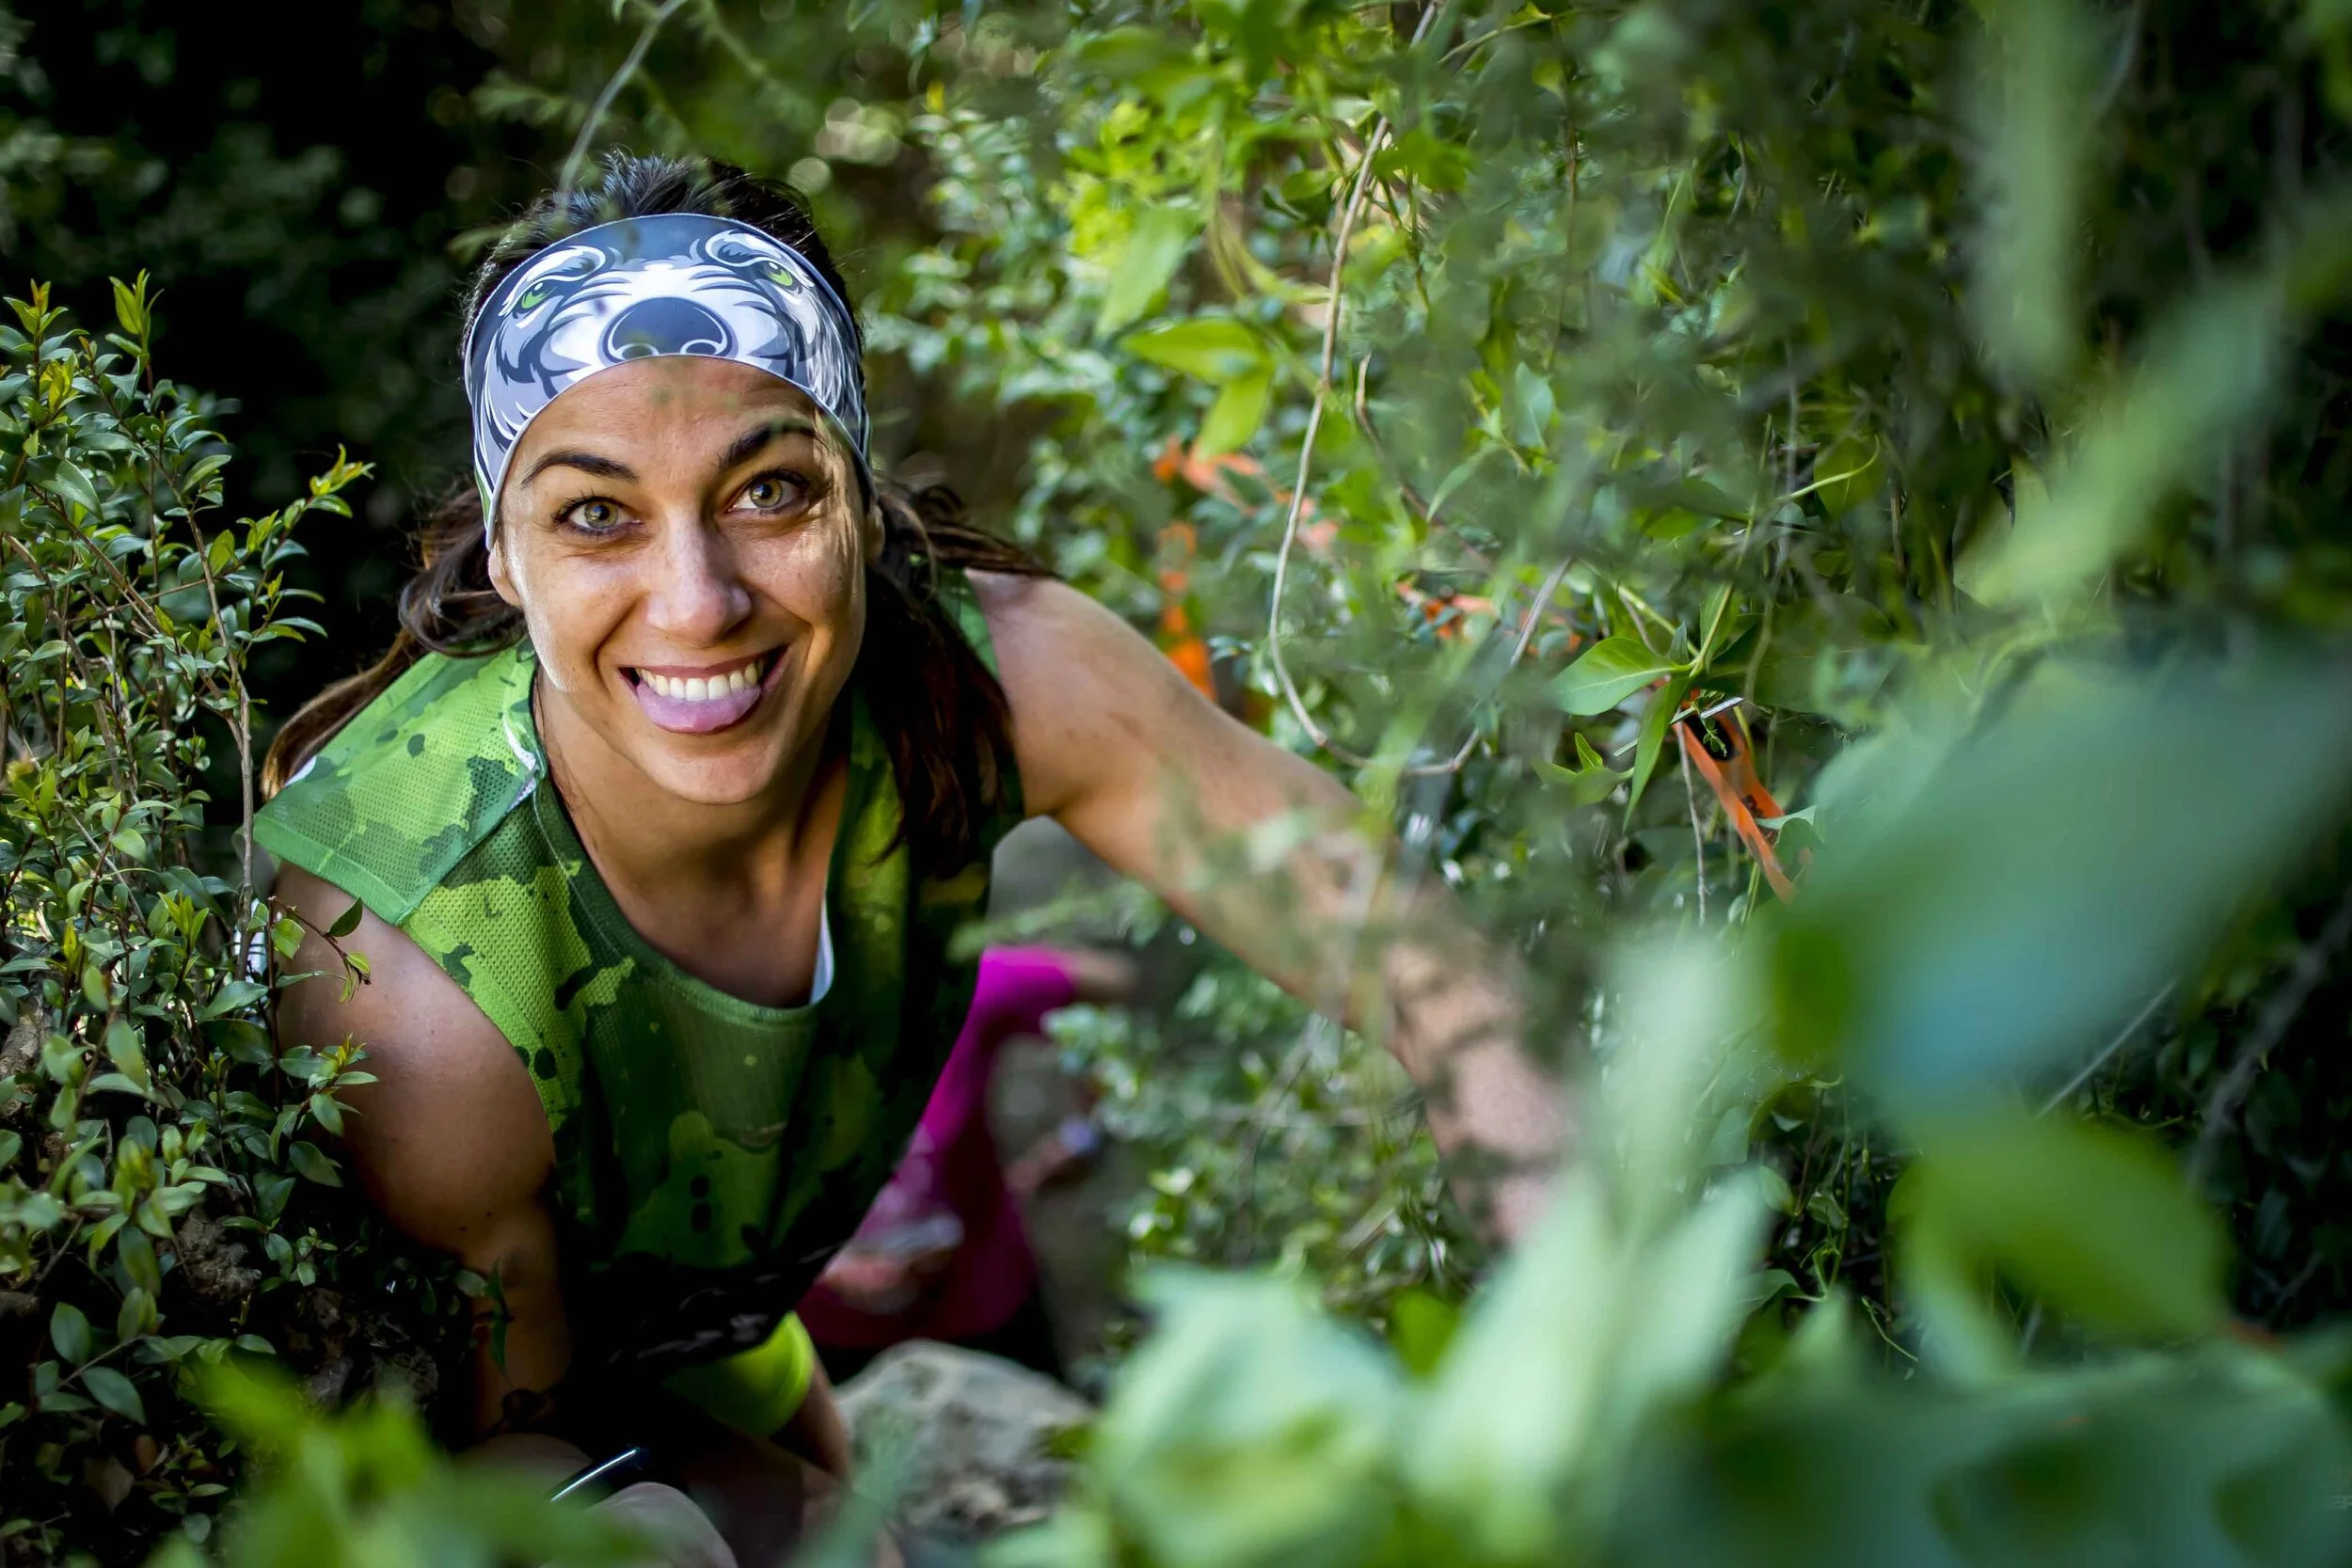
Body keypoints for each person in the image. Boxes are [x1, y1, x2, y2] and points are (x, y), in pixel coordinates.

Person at [262, 153, 1563, 1566]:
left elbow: (1439, 977)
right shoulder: (410, 975)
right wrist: (784, 1504)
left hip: (734, 1329)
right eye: (595, 514)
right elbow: (503, 1429)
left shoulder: (1000, 675)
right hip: (508, 1428)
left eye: (768, 490)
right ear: (507, 559)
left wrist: (1593, 1361)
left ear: (862, 503)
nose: (696, 602)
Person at [797, 945, 1130, 1384]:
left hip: (980, 1306)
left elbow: (1111, 982)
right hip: (815, 1334)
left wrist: (1087, 1135)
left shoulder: (960, 988)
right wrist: (819, 1266)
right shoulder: (734, 1023)